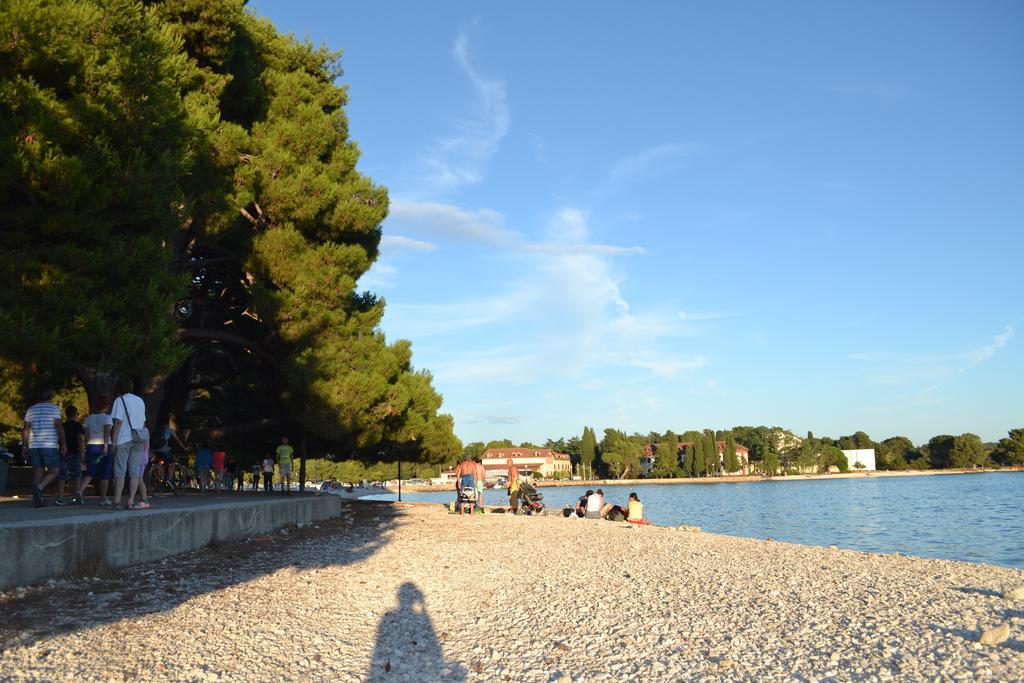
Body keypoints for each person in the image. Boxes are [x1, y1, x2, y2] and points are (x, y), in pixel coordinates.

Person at [110, 378, 150, 509]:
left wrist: (113, 441)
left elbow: (117, 423)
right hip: (138, 438)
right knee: (135, 472)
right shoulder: (140, 401)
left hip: (124, 438)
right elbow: (143, 423)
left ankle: (116, 501)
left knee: (120, 471)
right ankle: (130, 501)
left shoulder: (119, 400)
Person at [23, 388, 67, 507]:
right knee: (54, 471)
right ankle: (38, 488)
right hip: (49, 445)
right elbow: (58, 427)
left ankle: (37, 499)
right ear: (51, 396)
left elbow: (26, 429)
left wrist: (25, 445)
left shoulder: (30, 410)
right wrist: (63, 443)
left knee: (38, 471)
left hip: (34, 445)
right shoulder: (54, 409)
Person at [75, 396, 113, 506]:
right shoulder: (107, 418)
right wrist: (105, 446)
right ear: (106, 406)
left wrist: (87, 447)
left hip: (91, 446)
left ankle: (80, 490)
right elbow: (107, 432)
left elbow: (86, 434)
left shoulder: (89, 418)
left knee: (90, 472)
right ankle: (103, 498)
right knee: (105, 474)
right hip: (104, 446)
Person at [54, 405, 85, 505]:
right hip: (75, 452)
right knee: (77, 475)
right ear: (76, 414)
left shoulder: (63, 425)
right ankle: (76, 497)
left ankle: (60, 497)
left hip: (64, 452)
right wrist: (82, 451)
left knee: (62, 475)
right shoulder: (77, 425)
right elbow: (80, 439)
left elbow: (58, 438)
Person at [151, 421, 185, 495]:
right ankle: (168, 479)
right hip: (164, 449)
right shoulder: (169, 430)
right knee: (172, 462)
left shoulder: (157, 430)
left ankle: (160, 475)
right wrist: (184, 447)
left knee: (161, 463)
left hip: (154, 450)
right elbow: (178, 440)